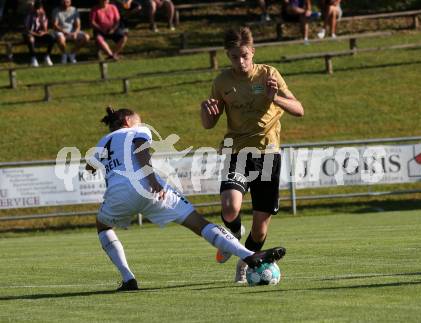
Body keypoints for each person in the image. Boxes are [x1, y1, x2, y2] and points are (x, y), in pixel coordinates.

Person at [86, 107, 286, 291]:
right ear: (128, 121)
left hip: (117, 194)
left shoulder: (104, 141)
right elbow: (141, 150)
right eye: (138, 121)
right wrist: (151, 180)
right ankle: (250, 255)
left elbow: (90, 165)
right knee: (199, 224)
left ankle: (128, 278)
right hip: (148, 187)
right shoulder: (138, 131)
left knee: (103, 226)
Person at [199, 27, 304, 283]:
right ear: (228, 56)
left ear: (253, 51)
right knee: (230, 206)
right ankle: (232, 237)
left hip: (269, 155)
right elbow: (208, 124)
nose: (241, 61)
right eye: (234, 57)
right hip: (239, 152)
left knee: (260, 227)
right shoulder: (222, 82)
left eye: (244, 55)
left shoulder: (269, 74)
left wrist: (275, 98)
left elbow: (299, 109)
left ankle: (244, 264)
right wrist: (207, 113)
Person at [23, 0, 55, 67]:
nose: (38, 11)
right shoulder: (30, 15)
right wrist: (37, 34)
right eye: (36, 9)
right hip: (30, 34)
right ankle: (33, 58)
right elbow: (27, 30)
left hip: (39, 34)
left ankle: (47, 56)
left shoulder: (43, 15)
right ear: (33, 8)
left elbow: (46, 29)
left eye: (39, 9)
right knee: (31, 38)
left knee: (52, 38)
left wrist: (43, 32)